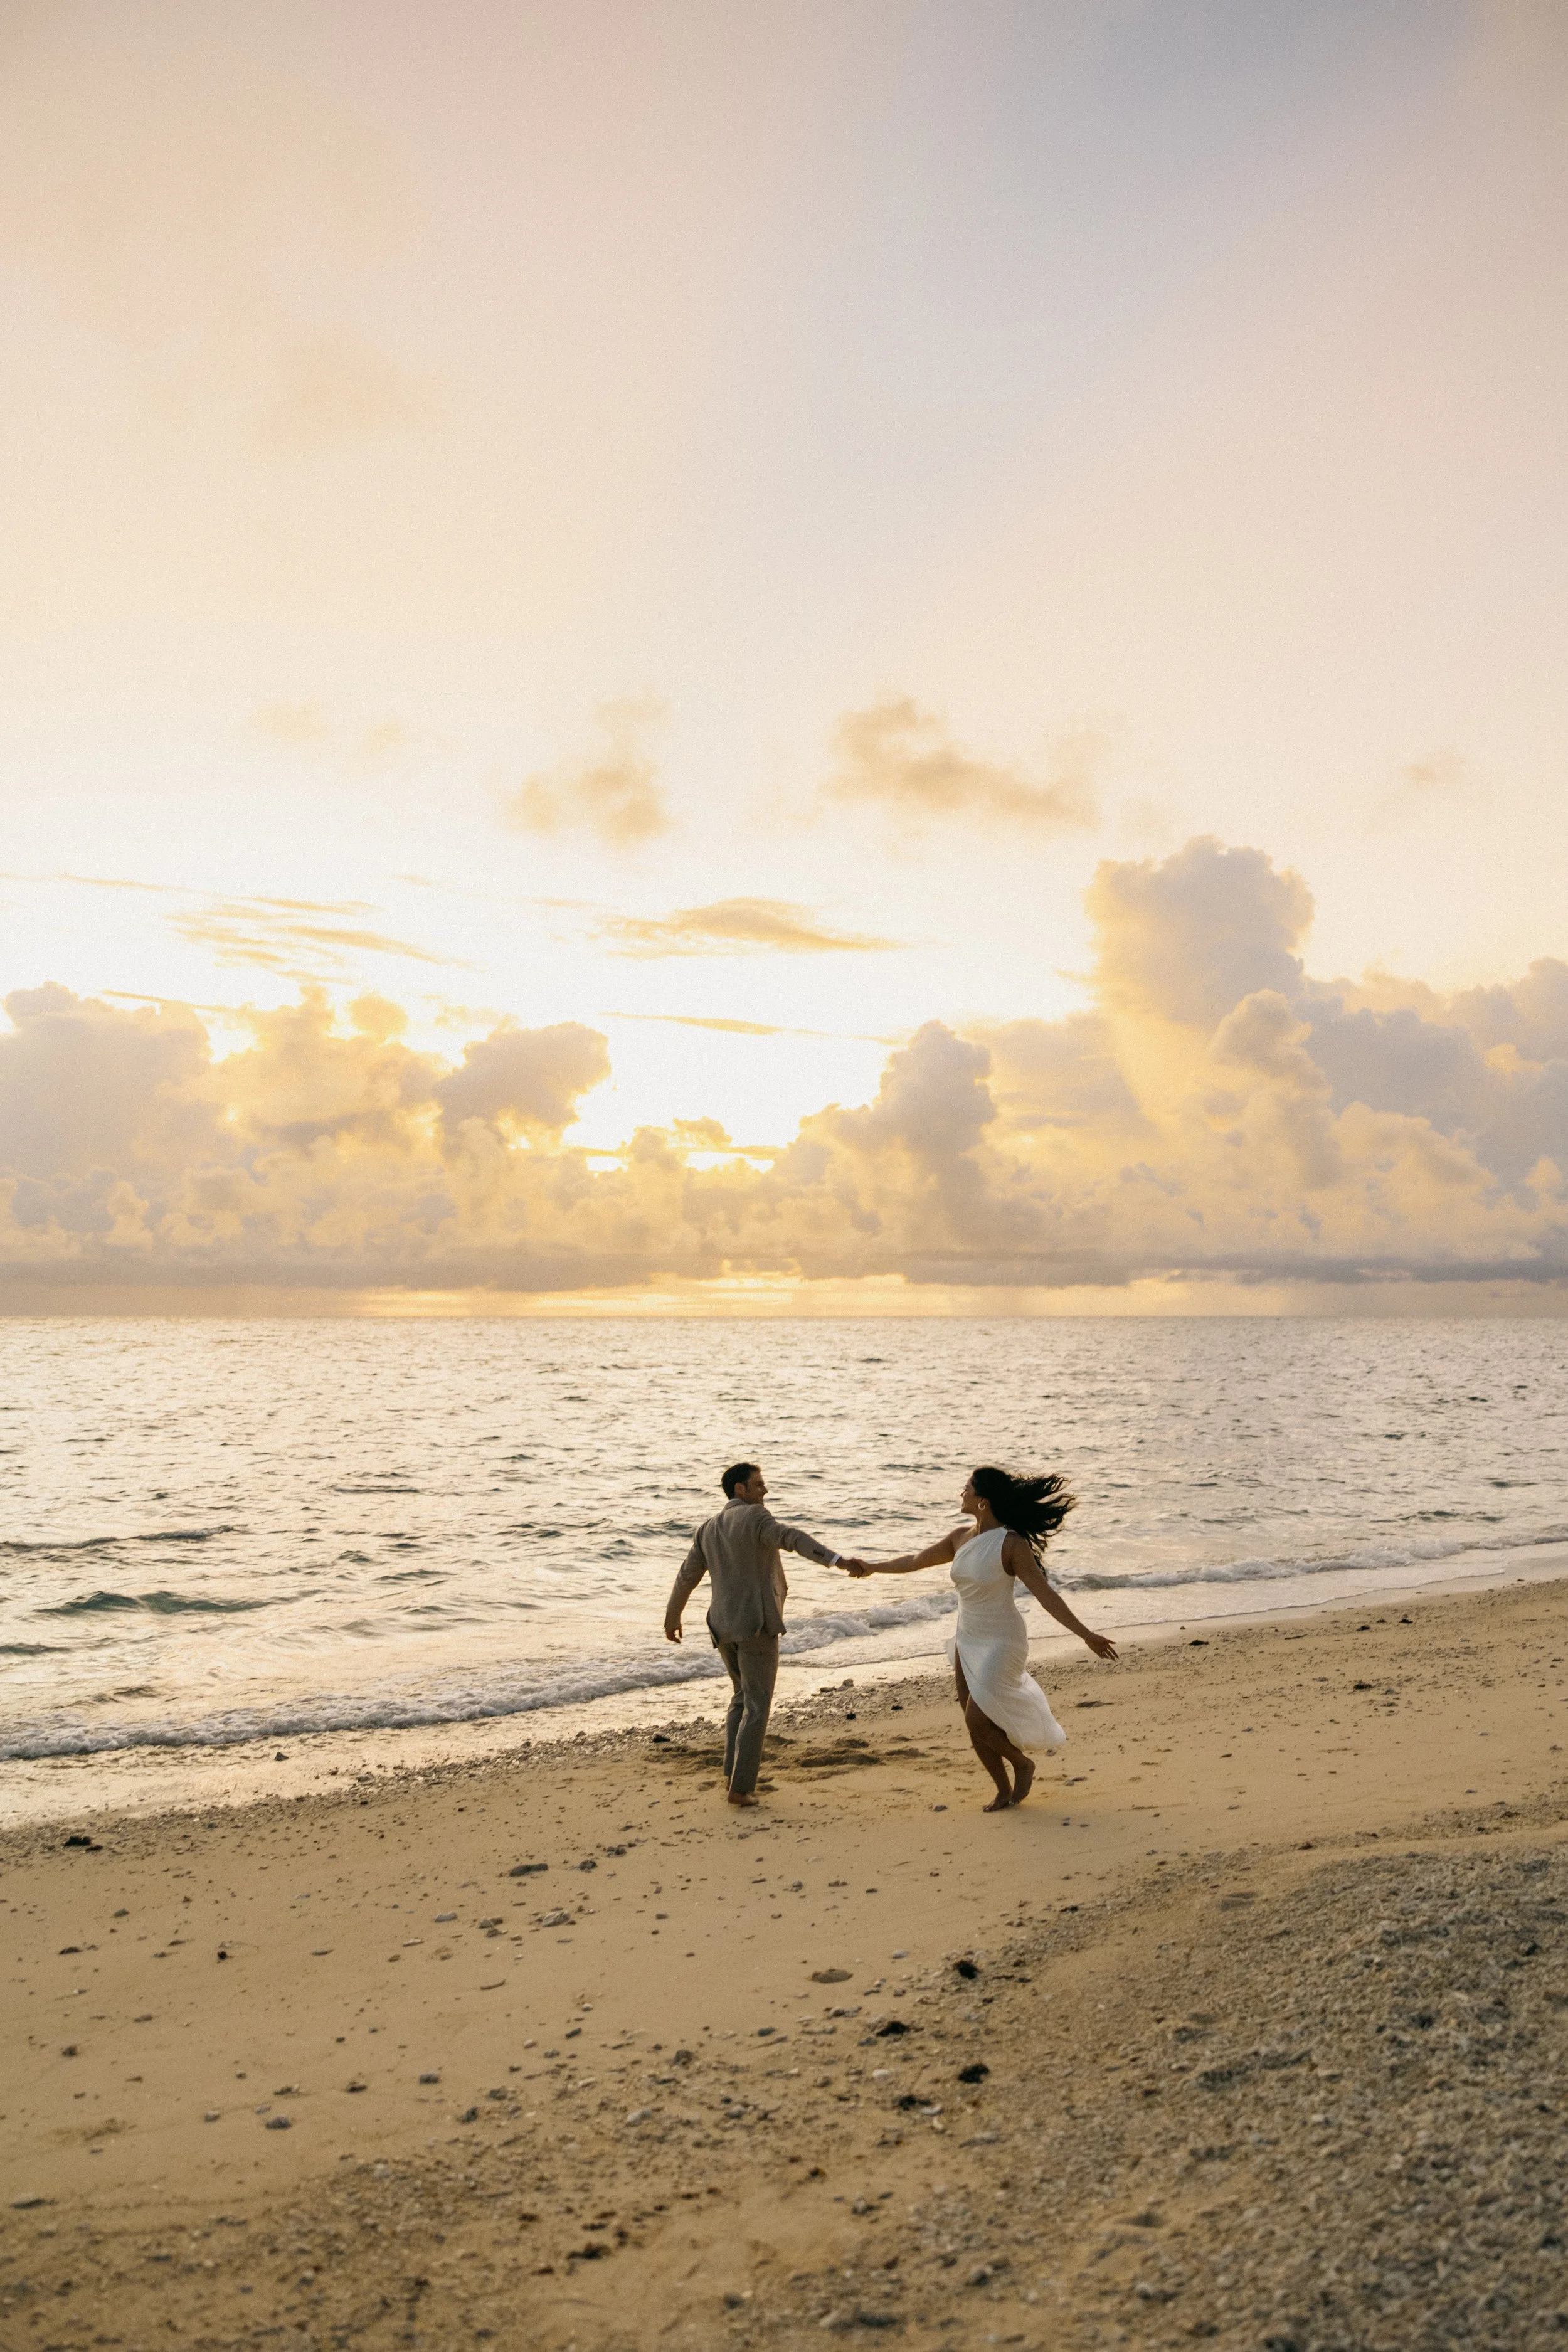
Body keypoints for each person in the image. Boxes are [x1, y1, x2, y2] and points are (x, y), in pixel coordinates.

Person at [849, 1465, 1116, 1811]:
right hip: (968, 1636)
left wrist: (1086, 1635)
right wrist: (872, 1567)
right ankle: (1003, 1790)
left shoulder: (1011, 1543)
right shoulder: (961, 1537)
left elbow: (1045, 1594)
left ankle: (1022, 1764)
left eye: (967, 1489)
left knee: (978, 1717)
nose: (962, 1494)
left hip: (1003, 1638)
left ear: (983, 1502)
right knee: (973, 1720)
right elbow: (915, 1561)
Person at [665, 1462, 861, 1808]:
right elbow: (792, 1538)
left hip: (722, 1626)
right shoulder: (757, 1518)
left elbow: (686, 1576)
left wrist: (672, 1617)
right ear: (740, 1489)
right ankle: (740, 1789)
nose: (765, 1492)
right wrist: (836, 1560)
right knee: (757, 1705)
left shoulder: (707, 1528)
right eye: (759, 1485)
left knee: (741, 1698)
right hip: (756, 1626)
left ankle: (731, 1774)